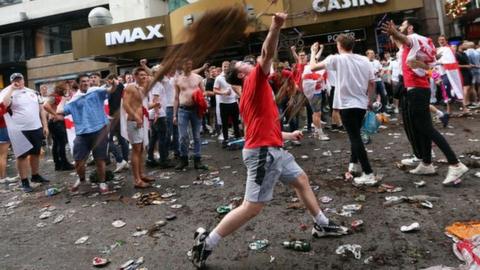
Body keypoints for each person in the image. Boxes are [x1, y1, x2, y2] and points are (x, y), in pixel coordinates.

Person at [188, 13, 348, 269]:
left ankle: (321, 222)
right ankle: (207, 243)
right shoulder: (253, 80)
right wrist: (275, 26)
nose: (251, 64)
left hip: (273, 149)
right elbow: (267, 53)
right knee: (252, 206)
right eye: (245, 64)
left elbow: (262, 126)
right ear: (241, 76)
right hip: (264, 153)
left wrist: (287, 135)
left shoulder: (256, 90)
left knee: (301, 180)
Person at [381, 18, 468, 185]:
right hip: (418, 88)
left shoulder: (413, 38)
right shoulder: (424, 42)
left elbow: (404, 39)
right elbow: (429, 65)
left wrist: (394, 32)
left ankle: (455, 163)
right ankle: (426, 163)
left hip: (416, 89)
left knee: (425, 127)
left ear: (411, 27)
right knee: (421, 127)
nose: (401, 26)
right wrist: (433, 74)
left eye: (405, 24)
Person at [310, 35, 377, 186]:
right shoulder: (364, 60)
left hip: (347, 105)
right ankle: (353, 164)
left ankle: (368, 173)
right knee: (356, 136)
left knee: (355, 138)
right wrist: (370, 101)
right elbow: (372, 83)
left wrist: (313, 52)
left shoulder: (336, 59)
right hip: (361, 104)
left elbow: (313, 67)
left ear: (339, 45)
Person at [56, 74, 114, 194]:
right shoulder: (74, 99)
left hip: (99, 130)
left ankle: (102, 182)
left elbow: (111, 91)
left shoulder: (96, 91)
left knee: (100, 159)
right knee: (79, 162)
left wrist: (114, 84)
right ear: (78, 84)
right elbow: (60, 112)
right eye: (83, 81)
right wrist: (62, 100)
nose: (86, 83)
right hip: (82, 134)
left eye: (87, 81)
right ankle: (82, 179)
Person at [1, 73, 49, 193]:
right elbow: (5, 105)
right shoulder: (9, 93)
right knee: (21, 156)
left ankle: (35, 175)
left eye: (20, 79)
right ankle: (24, 181)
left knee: (36, 153)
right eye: (15, 80)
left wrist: (45, 125)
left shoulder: (33, 92)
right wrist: (12, 88)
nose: (18, 81)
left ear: (23, 80)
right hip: (20, 129)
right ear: (12, 81)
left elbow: (41, 109)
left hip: (36, 127)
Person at [122, 67, 155, 188]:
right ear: (135, 76)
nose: (144, 77)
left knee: (142, 150)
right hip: (133, 122)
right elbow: (125, 104)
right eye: (141, 75)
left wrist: (154, 105)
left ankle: (141, 174)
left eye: (145, 75)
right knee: (136, 150)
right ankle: (137, 180)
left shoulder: (144, 88)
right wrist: (136, 117)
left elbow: (154, 77)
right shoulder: (130, 87)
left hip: (142, 122)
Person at [173, 59, 208, 171]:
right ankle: (184, 159)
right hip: (182, 110)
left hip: (196, 109)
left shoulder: (198, 78)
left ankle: (197, 159)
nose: (188, 65)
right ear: (182, 66)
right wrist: (174, 114)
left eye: (190, 64)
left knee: (197, 136)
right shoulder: (177, 79)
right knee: (183, 136)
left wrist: (202, 100)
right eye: (186, 64)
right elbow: (176, 97)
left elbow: (204, 92)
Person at [43, 82, 74, 171]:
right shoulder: (54, 96)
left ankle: (58, 164)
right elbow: (45, 105)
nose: (68, 89)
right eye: (67, 88)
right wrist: (55, 115)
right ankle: (63, 164)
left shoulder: (58, 96)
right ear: (62, 88)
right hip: (56, 122)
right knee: (60, 144)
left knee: (57, 144)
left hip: (54, 122)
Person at [303, 44, 330, 141]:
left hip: (317, 92)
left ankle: (316, 132)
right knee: (317, 113)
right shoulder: (308, 68)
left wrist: (317, 50)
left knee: (316, 113)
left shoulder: (310, 66)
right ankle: (320, 133)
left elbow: (316, 57)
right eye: (315, 59)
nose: (317, 60)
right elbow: (305, 81)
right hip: (314, 93)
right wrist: (316, 82)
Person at [105, 74, 129, 173]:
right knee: (121, 138)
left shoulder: (119, 87)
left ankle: (120, 160)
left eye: (110, 80)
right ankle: (125, 161)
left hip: (115, 117)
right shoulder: (119, 88)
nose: (109, 83)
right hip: (116, 117)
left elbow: (116, 102)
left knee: (108, 140)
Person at [213, 61, 241, 147]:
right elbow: (214, 90)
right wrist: (223, 92)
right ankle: (225, 140)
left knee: (236, 122)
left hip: (233, 102)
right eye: (224, 66)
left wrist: (238, 94)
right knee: (224, 123)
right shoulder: (218, 78)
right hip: (223, 103)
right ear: (222, 67)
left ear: (229, 67)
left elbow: (238, 86)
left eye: (227, 66)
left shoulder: (233, 76)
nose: (226, 68)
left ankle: (238, 139)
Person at [437, 35, 464, 105]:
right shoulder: (438, 50)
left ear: (446, 41)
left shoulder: (448, 49)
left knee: (454, 91)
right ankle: (449, 111)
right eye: (440, 40)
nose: (441, 41)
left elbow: (448, 62)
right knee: (446, 93)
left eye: (443, 39)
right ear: (438, 41)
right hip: (441, 74)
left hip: (448, 73)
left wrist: (438, 62)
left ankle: (464, 109)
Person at [366, 49, 388, 114]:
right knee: (373, 97)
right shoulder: (365, 62)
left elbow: (382, 69)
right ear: (367, 55)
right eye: (371, 53)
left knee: (383, 95)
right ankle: (375, 112)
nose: (373, 54)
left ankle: (383, 111)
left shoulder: (377, 61)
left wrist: (381, 73)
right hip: (371, 82)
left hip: (378, 80)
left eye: (373, 53)